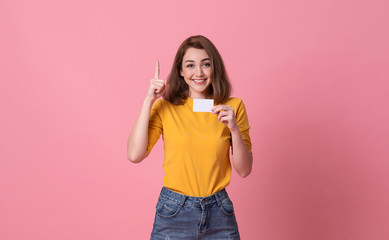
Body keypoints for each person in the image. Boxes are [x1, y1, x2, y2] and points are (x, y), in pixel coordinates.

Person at [127, 35, 253, 240]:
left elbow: (245, 169)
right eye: (190, 65)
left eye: (206, 64)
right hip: (174, 212)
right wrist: (149, 100)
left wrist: (235, 130)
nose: (199, 73)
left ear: (215, 67)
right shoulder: (165, 107)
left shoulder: (233, 107)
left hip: (219, 212)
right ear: (181, 71)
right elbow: (134, 154)